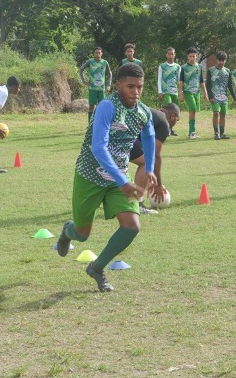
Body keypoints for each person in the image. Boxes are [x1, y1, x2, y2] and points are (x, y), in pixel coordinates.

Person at [55, 63, 156, 292]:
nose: (136, 92)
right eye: (130, 86)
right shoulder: (107, 107)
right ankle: (67, 231)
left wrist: (149, 169)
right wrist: (123, 182)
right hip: (89, 176)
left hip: (118, 179)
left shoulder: (143, 112)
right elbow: (98, 148)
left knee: (132, 226)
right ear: (118, 84)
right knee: (82, 234)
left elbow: (149, 138)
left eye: (139, 87)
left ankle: (97, 268)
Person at [130, 103, 180, 214]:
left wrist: (150, 181)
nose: (176, 123)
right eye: (178, 119)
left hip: (110, 136)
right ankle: (137, 205)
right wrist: (158, 185)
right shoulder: (164, 123)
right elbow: (155, 156)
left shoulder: (153, 114)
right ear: (173, 116)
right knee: (147, 163)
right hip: (123, 138)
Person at [179, 47, 208, 139]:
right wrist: (180, 93)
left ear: (197, 56)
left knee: (194, 111)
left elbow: (201, 81)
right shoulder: (183, 67)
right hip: (188, 91)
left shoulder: (199, 67)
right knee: (193, 109)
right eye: (190, 56)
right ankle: (192, 132)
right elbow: (181, 81)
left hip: (197, 92)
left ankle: (192, 132)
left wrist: (205, 93)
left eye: (194, 56)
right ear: (187, 57)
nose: (192, 58)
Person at [79, 47, 112, 121]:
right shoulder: (90, 62)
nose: (98, 54)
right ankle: (90, 124)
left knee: (102, 106)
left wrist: (108, 85)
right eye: (96, 53)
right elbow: (81, 69)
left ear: (101, 53)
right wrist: (84, 81)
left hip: (101, 89)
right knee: (91, 106)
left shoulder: (104, 62)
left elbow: (110, 73)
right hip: (92, 88)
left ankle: (101, 123)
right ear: (93, 54)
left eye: (99, 53)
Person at [206, 51, 233, 140]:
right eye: (219, 60)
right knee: (216, 113)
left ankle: (222, 133)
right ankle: (216, 133)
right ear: (216, 60)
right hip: (215, 96)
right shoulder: (211, 70)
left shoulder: (227, 71)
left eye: (223, 60)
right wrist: (210, 96)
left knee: (223, 115)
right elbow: (208, 84)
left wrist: (234, 97)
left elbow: (230, 85)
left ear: (225, 61)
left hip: (224, 97)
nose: (221, 62)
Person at [157, 47, 181, 136]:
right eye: (169, 54)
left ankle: (171, 128)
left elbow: (179, 80)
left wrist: (180, 91)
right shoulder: (162, 66)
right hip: (166, 91)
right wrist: (160, 91)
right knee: (167, 111)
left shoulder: (177, 67)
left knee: (175, 112)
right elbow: (159, 79)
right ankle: (166, 128)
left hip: (175, 92)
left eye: (172, 54)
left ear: (175, 55)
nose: (171, 56)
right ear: (166, 55)